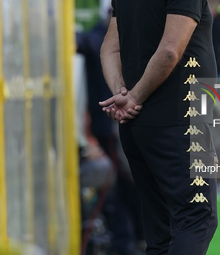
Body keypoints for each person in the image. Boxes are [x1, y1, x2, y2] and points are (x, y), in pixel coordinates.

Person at [99, 0, 218, 254]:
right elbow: (169, 51)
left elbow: (109, 50)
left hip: (138, 124)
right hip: (179, 120)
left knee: (160, 231)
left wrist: (122, 93)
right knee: (196, 217)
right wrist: (133, 97)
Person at [76, 17, 144, 255]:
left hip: (117, 124)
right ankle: (127, 242)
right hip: (112, 126)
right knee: (126, 185)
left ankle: (131, 240)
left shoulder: (123, 35)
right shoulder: (98, 39)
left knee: (127, 186)